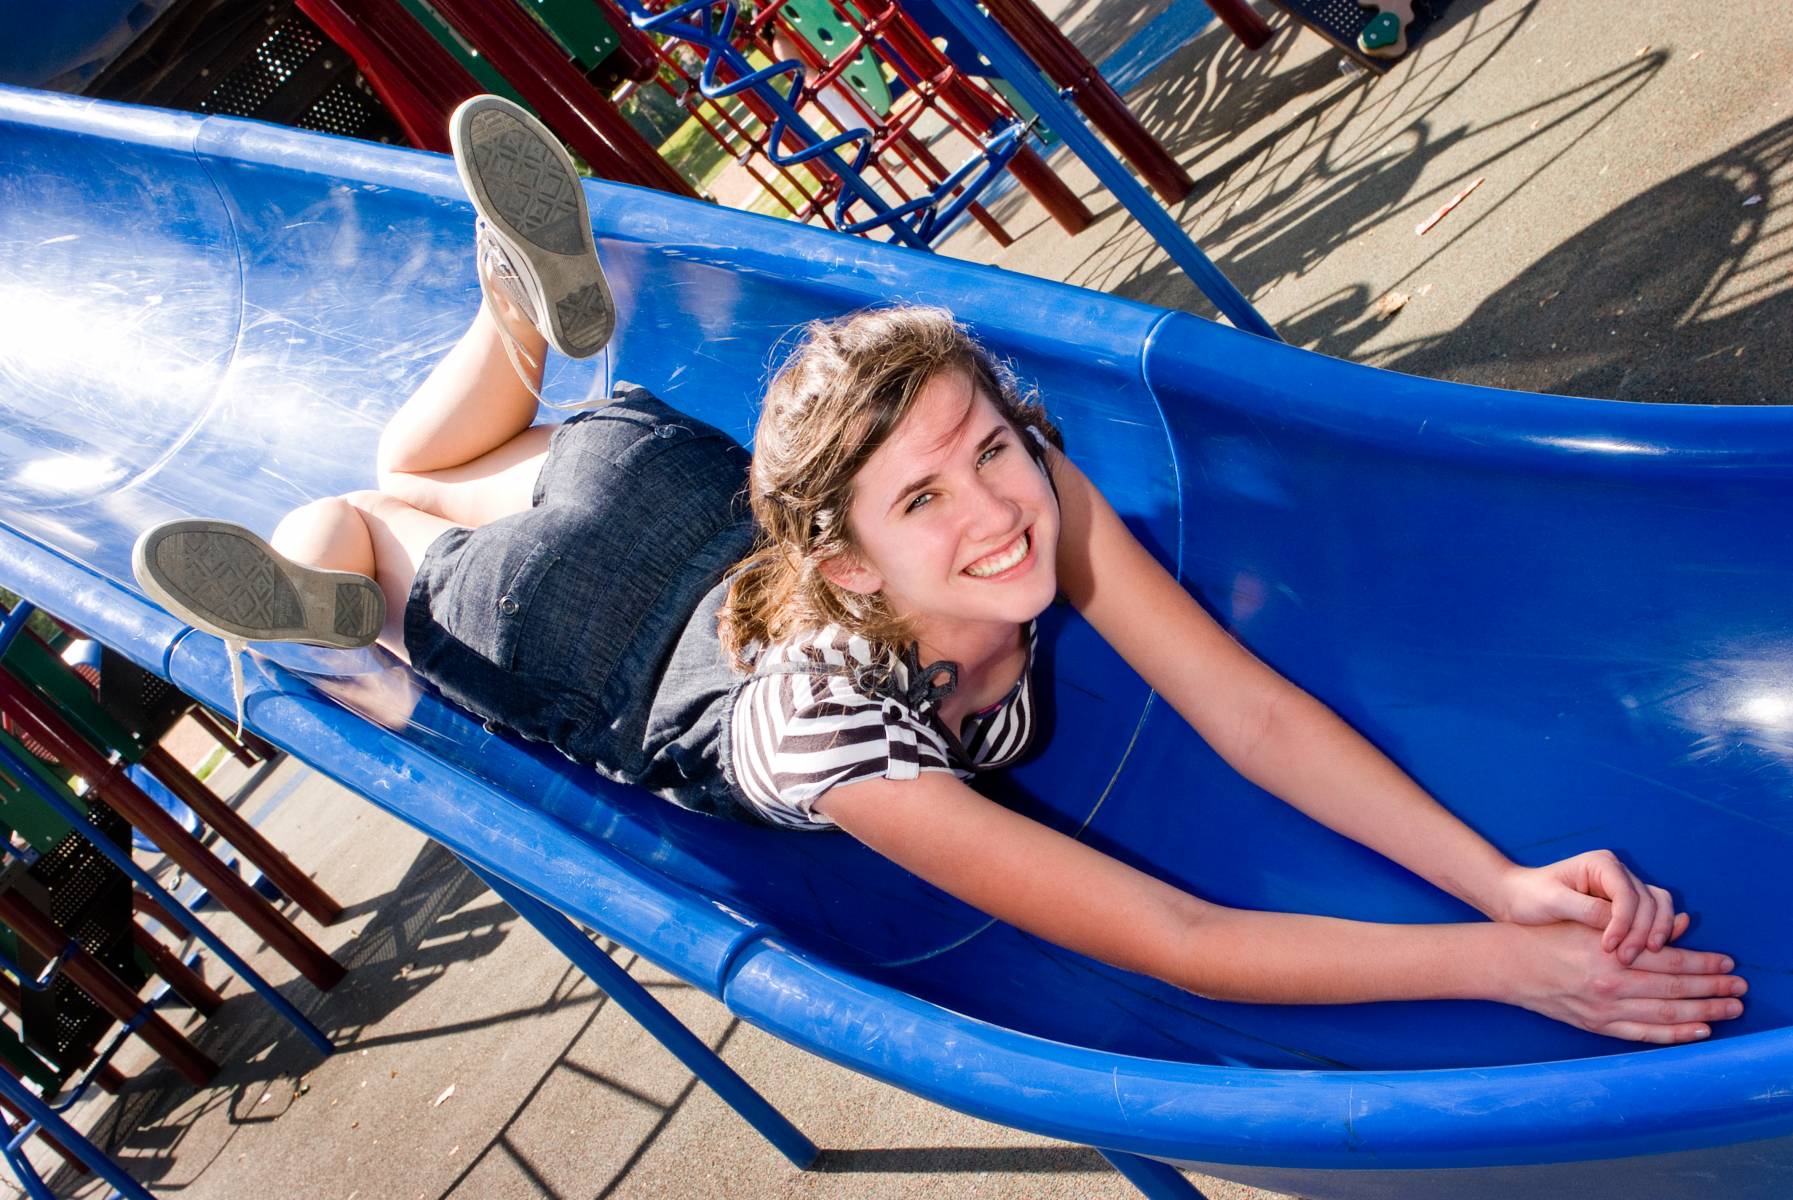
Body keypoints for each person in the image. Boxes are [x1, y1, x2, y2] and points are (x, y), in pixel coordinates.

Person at [133, 96, 1746, 1045]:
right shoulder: (828, 743)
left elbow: (1246, 713)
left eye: (990, 445)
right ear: (841, 552)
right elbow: (1173, 940)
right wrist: (1507, 965)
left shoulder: (1015, 498)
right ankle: (356, 581)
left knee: (397, 482)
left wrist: (1500, 878)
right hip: (587, 621)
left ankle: (491, 362)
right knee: (377, 504)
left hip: (660, 493)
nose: (995, 510)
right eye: (932, 489)